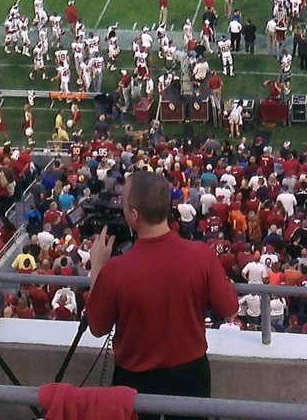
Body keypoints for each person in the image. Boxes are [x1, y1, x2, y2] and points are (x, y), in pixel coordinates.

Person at [86, 170, 238, 419]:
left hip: (135, 381)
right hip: (191, 376)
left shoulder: (115, 270)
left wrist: (97, 270)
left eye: (124, 204)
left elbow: (97, 326)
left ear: (134, 216)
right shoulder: (201, 255)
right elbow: (230, 308)